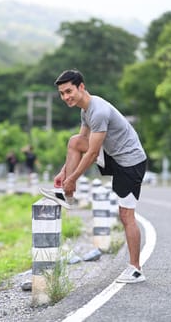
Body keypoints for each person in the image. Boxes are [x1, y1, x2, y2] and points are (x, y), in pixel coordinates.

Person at [40, 69, 147, 284]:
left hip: (130, 163)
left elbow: (91, 154)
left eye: (69, 91)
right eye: (62, 94)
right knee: (73, 141)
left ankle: (136, 269)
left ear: (81, 87)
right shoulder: (85, 110)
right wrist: (64, 172)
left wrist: (73, 179)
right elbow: (81, 143)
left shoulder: (97, 111)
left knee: (126, 216)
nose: (66, 97)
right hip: (114, 157)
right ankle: (65, 195)